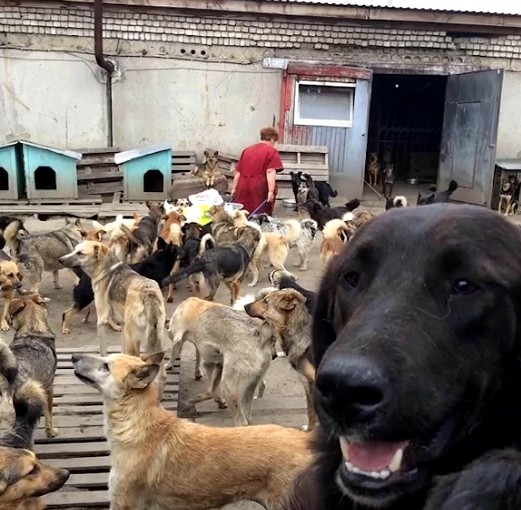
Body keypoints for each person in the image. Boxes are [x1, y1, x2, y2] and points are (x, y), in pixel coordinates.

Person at [231, 127, 284, 216]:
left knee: (241, 214)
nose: (274, 144)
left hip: (242, 185)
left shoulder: (247, 150)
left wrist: (234, 188)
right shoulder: (271, 151)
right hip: (259, 188)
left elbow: (238, 172)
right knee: (258, 214)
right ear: (272, 139)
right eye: (275, 142)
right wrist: (270, 191)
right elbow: (270, 171)